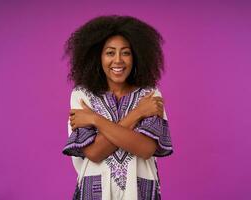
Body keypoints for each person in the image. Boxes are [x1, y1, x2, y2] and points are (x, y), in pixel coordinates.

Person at [62, 15, 173, 200]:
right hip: (94, 193)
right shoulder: (82, 95)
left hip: (140, 193)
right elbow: (94, 153)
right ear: (98, 57)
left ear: (136, 56)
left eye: (126, 52)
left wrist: (94, 119)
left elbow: (145, 149)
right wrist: (139, 113)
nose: (118, 60)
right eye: (110, 52)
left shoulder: (150, 95)